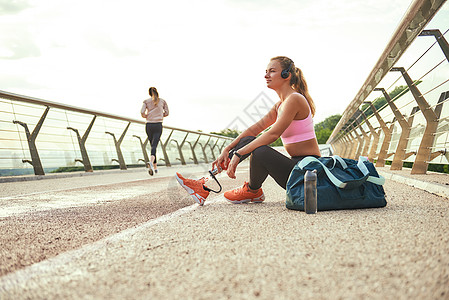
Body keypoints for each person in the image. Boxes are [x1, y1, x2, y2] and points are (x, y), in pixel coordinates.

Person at [176, 56, 321, 205]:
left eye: (272, 71)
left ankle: (253, 191)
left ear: (286, 75)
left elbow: (272, 134)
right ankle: (204, 184)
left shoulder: (295, 99)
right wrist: (229, 148)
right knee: (250, 141)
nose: (266, 75)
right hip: (295, 168)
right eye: (266, 71)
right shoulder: (279, 106)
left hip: (310, 171)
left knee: (260, 151)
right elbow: (254, 130)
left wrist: (239, 154)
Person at [141, 87, 169, 175]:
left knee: (152, 145)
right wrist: (160, 115)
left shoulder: (146, 101)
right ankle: (151, 162)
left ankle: (154, 166)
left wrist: (147, 116)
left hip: (149, 125)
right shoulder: (163, 101)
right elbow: (167, 113)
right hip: (158, 125)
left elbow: (142, 112)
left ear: (149, 93)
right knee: (154, 145)